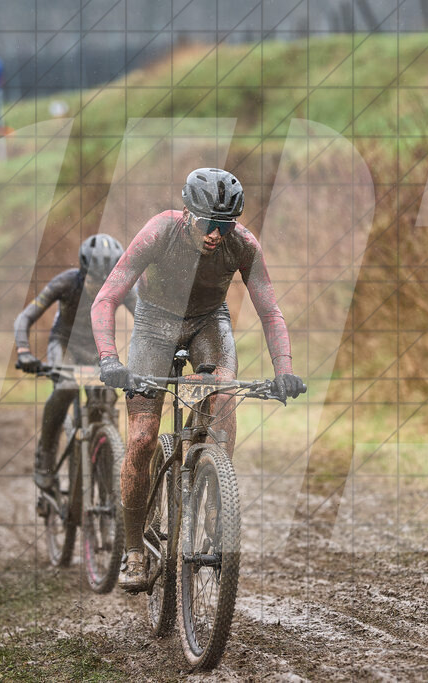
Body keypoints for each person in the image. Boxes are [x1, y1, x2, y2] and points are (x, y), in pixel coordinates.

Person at [91, 168, 306, 592]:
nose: (216, 234)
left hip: (209, 323)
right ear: (188, 213)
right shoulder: (159, 232)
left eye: (225, 225)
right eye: (209, 223)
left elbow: (270, 311)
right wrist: (109, 358)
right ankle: (134, 549)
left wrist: (284, 370)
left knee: (223, 393)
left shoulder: (241, 245)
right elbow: (107, 298)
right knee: (142, 438)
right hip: (154, 324)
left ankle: (213, 487)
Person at [15, 234, 136, 493]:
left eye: (106, 281)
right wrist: (24, 351)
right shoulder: (66, 282)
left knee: (105, 399)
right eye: (93, 280)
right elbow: (25, 317)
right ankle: (45, 454)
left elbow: (145, 320)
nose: (99, 287)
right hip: (65, 344)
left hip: (97, 349)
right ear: (82, 273)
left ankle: (105, 455)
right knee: (67, 387)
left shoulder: (122, 287)